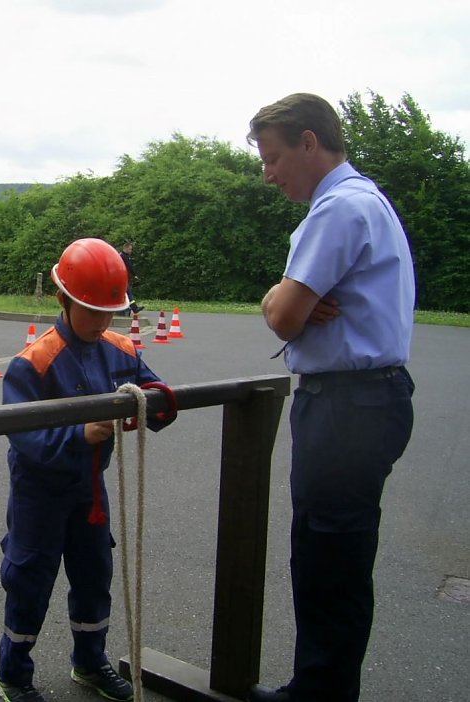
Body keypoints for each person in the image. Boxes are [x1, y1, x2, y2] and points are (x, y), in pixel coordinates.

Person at [246, 93, 415, 702]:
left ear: (309, 142)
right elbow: (290, 308)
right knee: (338, 558)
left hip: (346, 405)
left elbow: (283, 317)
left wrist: (280, 298)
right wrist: (286, 300)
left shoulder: (337, 209)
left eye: (273, 158)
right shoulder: (367, 198)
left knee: (326, 563)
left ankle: (318, 695)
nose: (268, 175)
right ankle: (325, 687)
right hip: (370, 401)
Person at [0, 238, 176, 702]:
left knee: (95, 574)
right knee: (30, 578)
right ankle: (12, 675)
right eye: (91, 310)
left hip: (90, 490)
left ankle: (90, 662)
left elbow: (152, 389)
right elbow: (23, 435)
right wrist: (79, 434)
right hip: (39, 493)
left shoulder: (119, 349)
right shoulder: (33, 362)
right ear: (63, 301)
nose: (100, 322)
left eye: (108, 312)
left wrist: (158, 402)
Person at [118, 241, 144, 315]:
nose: (131, 251)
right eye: (130, 249)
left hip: (122, 278)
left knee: (127, 293)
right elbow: (130, 267)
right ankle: (134, 308)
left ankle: (133, 308)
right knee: (128, 293)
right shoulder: (124, 256)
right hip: (123, 278)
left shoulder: (121, 255)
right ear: (125, 248)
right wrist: (135, 275)